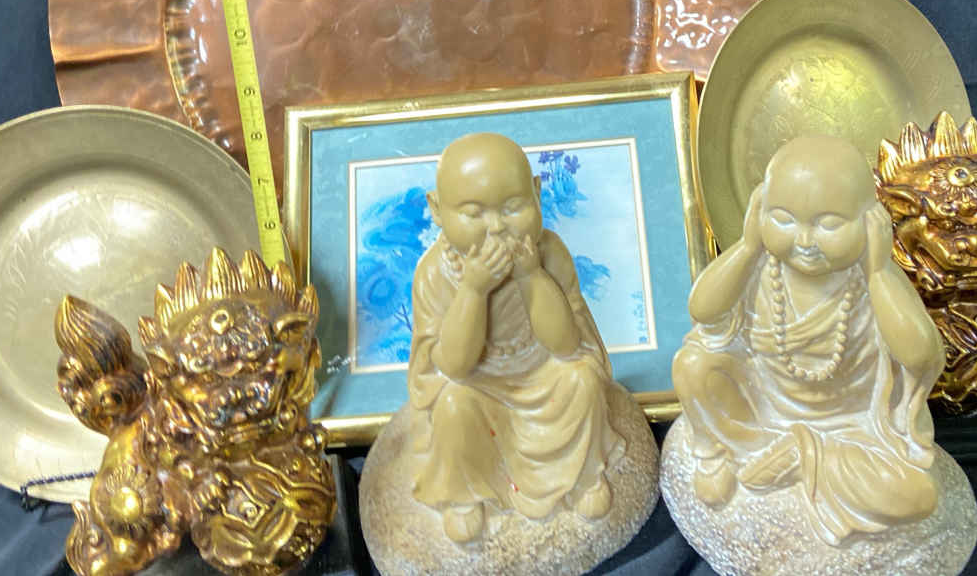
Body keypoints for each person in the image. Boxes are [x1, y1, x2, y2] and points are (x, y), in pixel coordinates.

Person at [671, 134, 945, 543]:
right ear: (759, 209)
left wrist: (879, 272)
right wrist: (747, 247)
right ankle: (720, 452)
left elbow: (920, 355)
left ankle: (805, 456)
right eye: (783, 219)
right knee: (693, 365)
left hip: (851, 432)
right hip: (763, 415)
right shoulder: (758, 270)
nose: (803, 242)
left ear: (871, 221)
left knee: (918, 497)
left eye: (828, 224)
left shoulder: (873, 284)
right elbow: (703, 310)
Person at [404, 133, 625, 543]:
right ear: (437, 210)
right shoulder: (435, 274)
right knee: (452, 405)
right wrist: (474, 290)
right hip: (477, 385)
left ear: (537, 194)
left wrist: (531, 275)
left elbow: (565, 345)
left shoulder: (550, 253)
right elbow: (453, 366)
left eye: (512, 207)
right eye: (473, 213)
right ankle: (465, 494)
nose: (496, 226)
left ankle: (580, 475)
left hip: (540, 372)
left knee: (581, 380)